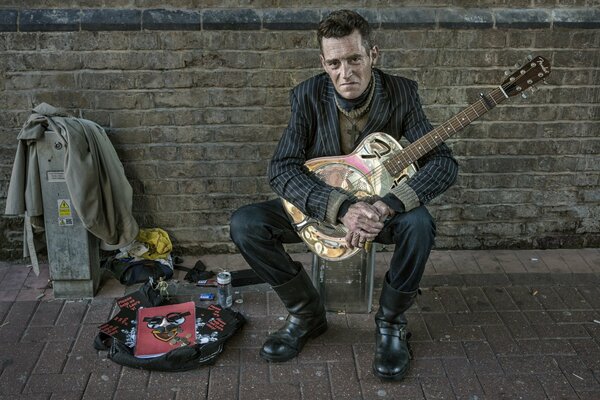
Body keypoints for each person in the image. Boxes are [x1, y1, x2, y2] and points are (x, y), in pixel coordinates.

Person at [230, 9, 458, 381]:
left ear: (373, 54)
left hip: (380, 214)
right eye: (334, 63)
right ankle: (306, 314)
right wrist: (341, 208)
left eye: (354, 59)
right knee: (246, 224)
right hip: (322, 209)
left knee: (419, 225)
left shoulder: (402, 93)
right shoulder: (307, 96)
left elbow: (443, 164)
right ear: (323, 63)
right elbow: (282, 168)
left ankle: (391, 325)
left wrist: (388, 205)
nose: (345, 72)